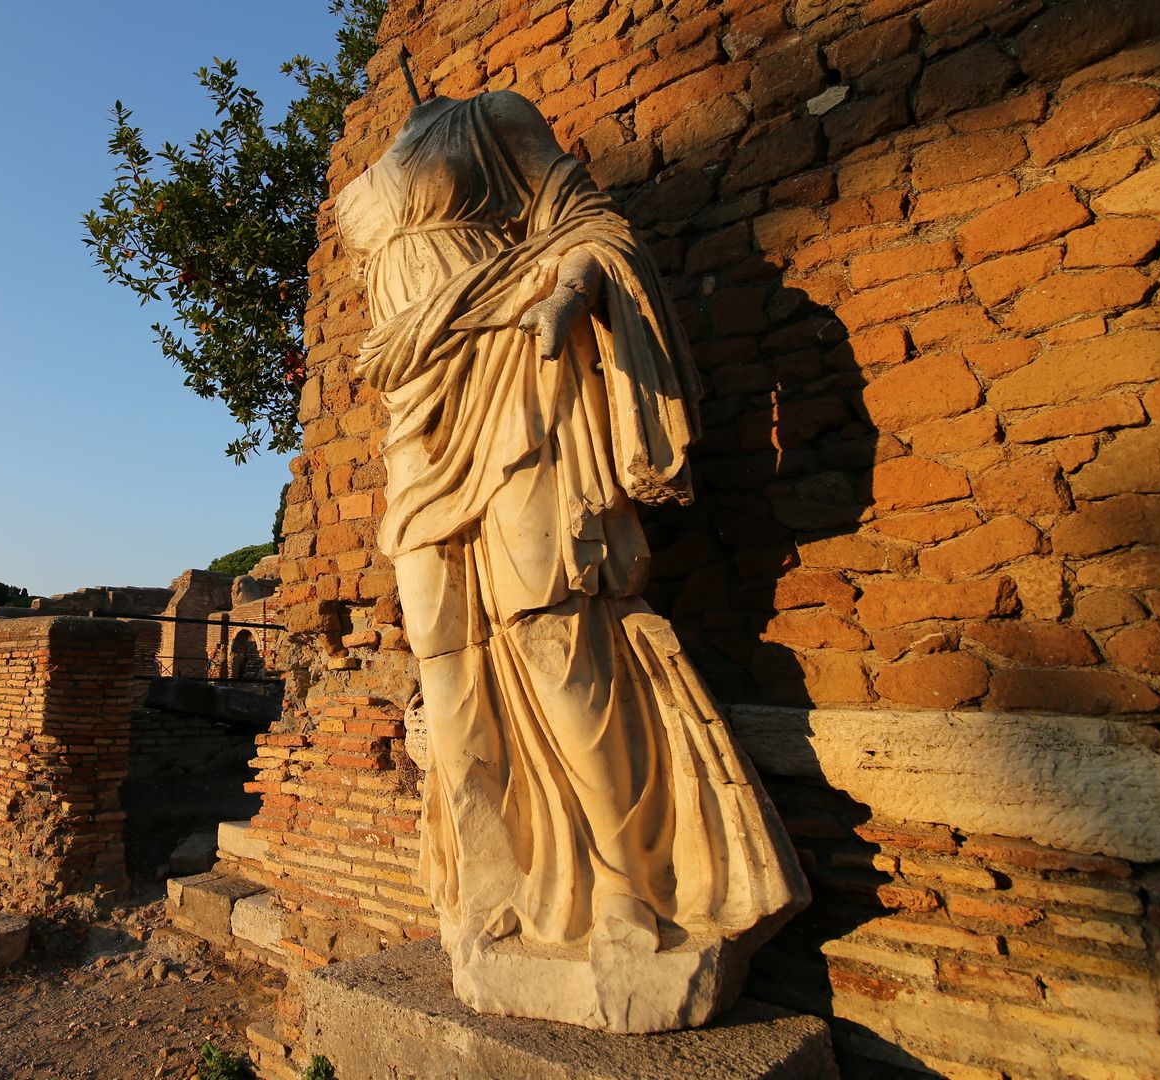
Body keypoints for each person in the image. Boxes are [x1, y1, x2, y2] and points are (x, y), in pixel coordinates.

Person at [335, 90, 809, 1033]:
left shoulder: (489, 116)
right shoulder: (355, 185)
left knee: (554, 635)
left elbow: (591, 223)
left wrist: (566, 293)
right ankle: (490, 887)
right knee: (446, 655)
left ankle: (626, 883)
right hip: (417, 406)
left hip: (516, 367)